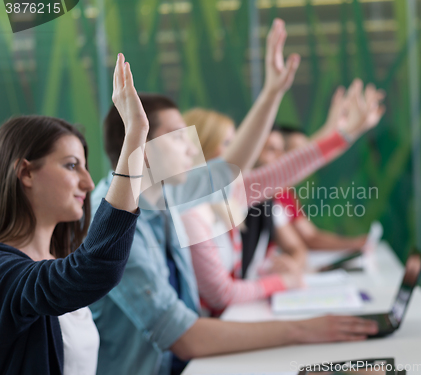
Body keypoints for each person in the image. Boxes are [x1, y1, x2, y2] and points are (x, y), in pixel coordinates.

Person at [90, 19, 379, 375]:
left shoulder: (162, 193)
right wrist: (304, 330)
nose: (191, 148)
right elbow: (184, 335)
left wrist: (273, 93)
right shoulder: (116, 225)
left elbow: (232, 169)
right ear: (143, 147)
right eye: (178, 136)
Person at [180, 78, 382, 314]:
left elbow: (293, 165)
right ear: (201, 151)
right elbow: (220, 295)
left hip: (233, 316)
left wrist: (344, 133)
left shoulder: (228, 198)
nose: (244, 151)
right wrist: (281, 282)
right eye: (229, 143)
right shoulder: (193, 211)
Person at [0, 53, 147, 375]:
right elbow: (94, 270)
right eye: (71, 165)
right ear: (25, 173)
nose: (88, 182)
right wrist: (134, 133)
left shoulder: (60, 258)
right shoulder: (5, 271)